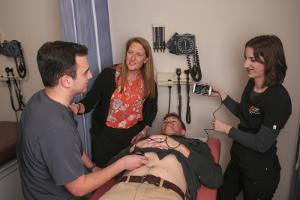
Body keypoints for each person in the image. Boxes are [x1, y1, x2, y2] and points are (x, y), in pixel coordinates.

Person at [16, 41, 148, 200]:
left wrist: (92, 167)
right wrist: (122, 164)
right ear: (66, 81)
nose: (91, 75)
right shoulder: (56, 128)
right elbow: (79, 188)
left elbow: (73, 147)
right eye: (85, 72)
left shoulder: (41, 99)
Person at [210, 35, 292, 199]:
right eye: (246, 58)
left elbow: (261, 143)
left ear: (270, 61)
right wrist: (224, 97)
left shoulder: (279, 98)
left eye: (252, 60)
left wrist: (228, 130)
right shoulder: (252, 84)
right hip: (239, 161)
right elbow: (246, 114)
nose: (245, 64)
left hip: (259, 171)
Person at [70, 37, 158, 168]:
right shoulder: (108, 75)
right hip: (105, 137)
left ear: (145, 60)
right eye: (130, 52)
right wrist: (76, 107)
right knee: (104, 177)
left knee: (125, 179)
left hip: (131, 138)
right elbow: (90, 101)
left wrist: (143, 132)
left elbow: (151, 110)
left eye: (138, 54)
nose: (132, 58)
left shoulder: (149, 82)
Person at [98, 113, 223, 200]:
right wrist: (134, 147)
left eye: (173, 121)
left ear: (183, 132)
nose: (168, 122)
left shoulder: (195, 145)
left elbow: (215, 179)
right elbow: (111, 167)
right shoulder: (146, 140)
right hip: (121, 190)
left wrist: (180, 147)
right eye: (165, 121)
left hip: (165, 193)